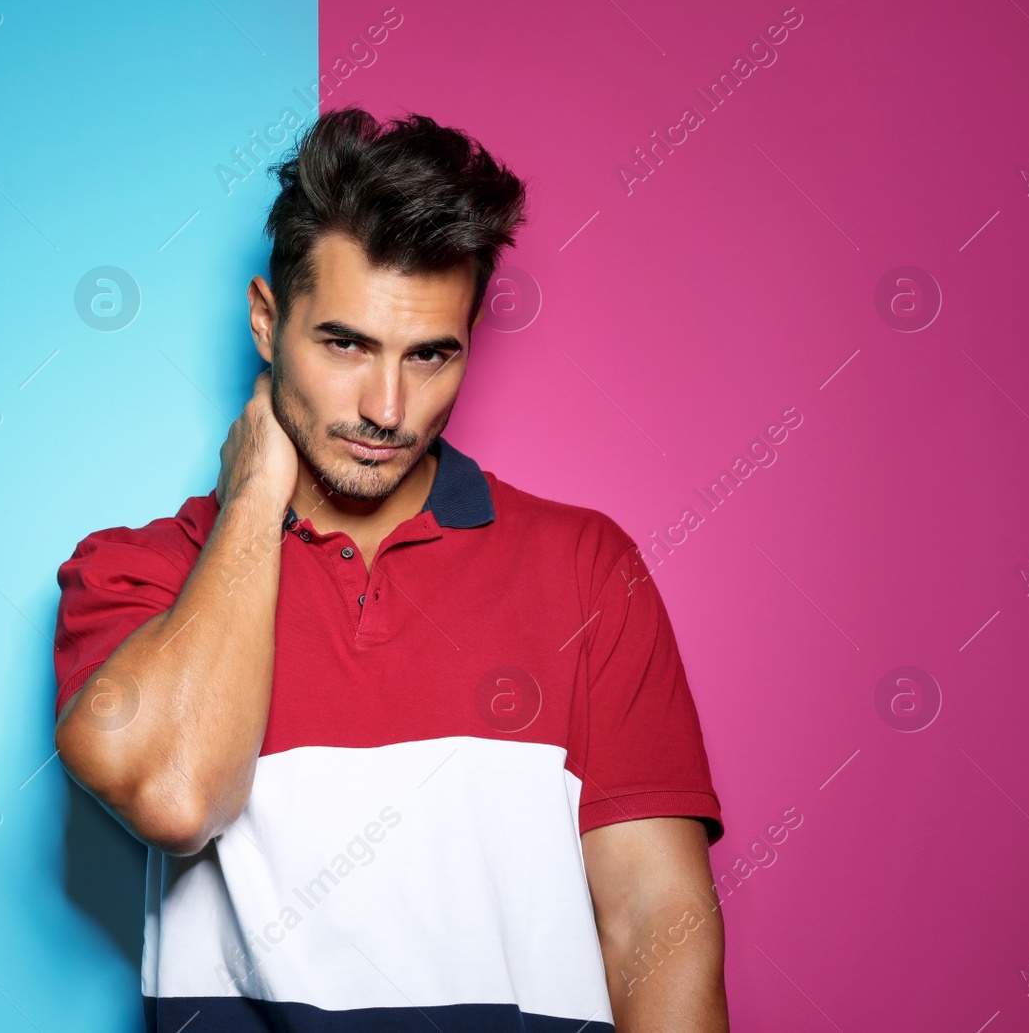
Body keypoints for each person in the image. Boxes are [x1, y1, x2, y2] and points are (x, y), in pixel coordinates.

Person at [52, 107, 728, 1032]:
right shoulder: (137, 575)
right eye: (346, 344)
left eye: (431, 355)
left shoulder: (584, 568)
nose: (387, 406)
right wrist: (254, 495)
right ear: (265, 321)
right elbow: (177, 797)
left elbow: (657, 919)